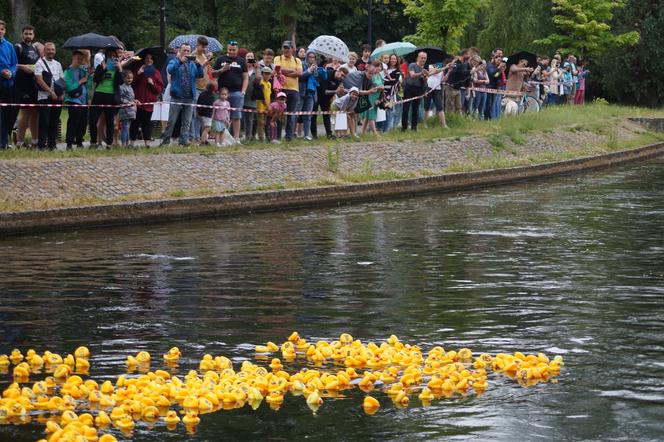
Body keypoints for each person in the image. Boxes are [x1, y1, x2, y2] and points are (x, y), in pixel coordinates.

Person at [160, 43, 204, 147]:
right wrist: (180, 61)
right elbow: (170, 70)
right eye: (184, 50)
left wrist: (198, 65)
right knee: (171, 120)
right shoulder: (174, 61)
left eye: (188, 51)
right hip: (177, 96)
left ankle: (184, 140)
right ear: (179, 51)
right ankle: (165, 141)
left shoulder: (192, 64)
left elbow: (200, 75)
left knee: (187, 121)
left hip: (190, 96)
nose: (186, 53)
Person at [212, 40, 248, 142]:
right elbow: (213, 74)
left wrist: (243, 92)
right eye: (230, 50)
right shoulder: (220, 59)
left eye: (234, 50)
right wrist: (222, 70)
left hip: (237, 92)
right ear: (227, 49)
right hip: (222, 92)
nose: (232, 52)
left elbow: (245, 77)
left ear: (237, 50)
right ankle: (219, 138)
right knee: (220, 116)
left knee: (236, 116)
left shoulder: (241, 61)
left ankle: (236, 138)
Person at [90, 48, 124, 147]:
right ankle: (93, 141)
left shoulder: (117, 68)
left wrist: (120, 69)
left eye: (113, 56)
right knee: (93, 119)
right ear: (106, 57)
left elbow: (121, 82)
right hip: (99, 94)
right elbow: (95, 79)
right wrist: (103, 69)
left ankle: (109, 143)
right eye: (109, 56)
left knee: (110, 121)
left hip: (111, 95)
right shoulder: (101, 66)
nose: (111, 58)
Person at [34, 42, 63, 150]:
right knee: (44, 121)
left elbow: (62, 80)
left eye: (52, 49)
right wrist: (51, 92)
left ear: (55, 51)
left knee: (54, 121)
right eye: (48, 49)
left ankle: (52, 144)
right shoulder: (39, 63)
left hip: (57, 97)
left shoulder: (58, 64)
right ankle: (41, 145)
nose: (51, 51)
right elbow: (39, 80)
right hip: (44, 97)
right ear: (44, 51)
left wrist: (62, 94)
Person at [14, 25, 39, 148]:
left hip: (33, 85)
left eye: (30, 34)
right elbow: (12, 64)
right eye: (26, 33)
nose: (28, 36)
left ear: (34, 35)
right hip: (22, 84)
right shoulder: (18, 47)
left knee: (35, 113)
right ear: (22, 34)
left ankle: (35, 142)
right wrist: (23, 67)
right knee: (26, 112)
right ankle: (19, 142)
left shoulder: (35, 48)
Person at [131, 53, 163, 147]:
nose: (149, 60)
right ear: (143, 60)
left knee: (147, 124)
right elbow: (131, 82)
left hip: (149, 102)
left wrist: (152, 84)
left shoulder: (156, 72)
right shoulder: (138, 70)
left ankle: (147, 143)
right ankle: (131, 143)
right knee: (135, 123)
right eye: (147, 58)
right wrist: (138, 73)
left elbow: (159, 89)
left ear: (153, 61)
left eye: (151, 58)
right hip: (137, 101)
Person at [273, 40, 302, 141]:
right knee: (279, 113)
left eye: (287, 48)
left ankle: (289, 136)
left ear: (292, 49)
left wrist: (284, 72)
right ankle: (277, 136)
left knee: (291, 114)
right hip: (281, 89)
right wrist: (292, 71)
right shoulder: (278, 58)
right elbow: (277, 70)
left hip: (294, 90)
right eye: (284, 48)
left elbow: (299, 73)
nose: (286, 50)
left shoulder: (297, 60)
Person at [189, 36, 212, 144]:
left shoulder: (204, 55)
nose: (204, 49)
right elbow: (194, 72)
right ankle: (194, 137)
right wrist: (205, 63)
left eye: (205, 47)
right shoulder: (192, 56)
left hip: (204, 88)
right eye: (202, 46)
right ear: (197, 45)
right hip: (196, 87)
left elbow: (207, 72)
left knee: (202, 114)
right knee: (194, 114)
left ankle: (201, 137)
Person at [63, 50, 89, 149]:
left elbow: (88, 82)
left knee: (83, 122)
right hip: (73, 100)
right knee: (74, 121)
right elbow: (68, 87)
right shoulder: (67, 72)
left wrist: (87, 77)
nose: (80, 61)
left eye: (81, 59)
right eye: (78, 58)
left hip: (84, 100)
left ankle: (79, 141)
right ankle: (69, 142)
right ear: (73, 58)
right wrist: (79, 82)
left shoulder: (83, 71)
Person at [297, 51, 325, 141]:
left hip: (310, 93)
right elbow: (300, 77)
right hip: (301, 92)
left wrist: (317, 71)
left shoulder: (314, 66)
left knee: (308, 115)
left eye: (313, 57)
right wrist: (309, 71)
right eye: (310, 57)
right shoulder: (301, 64)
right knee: (296, 113)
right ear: (307, 57)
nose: (312, 59)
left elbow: (317, 80)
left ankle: (306, 135)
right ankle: (292, 134)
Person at [0, 20, 17, 149]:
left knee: (8, 114)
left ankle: (4, 141)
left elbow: (14, 64)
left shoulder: (9, 45)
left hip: (9, 84)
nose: (0, 31)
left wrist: (10, 73)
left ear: (4, 31)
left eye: (2, 29)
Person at [401, 51, 428, 132]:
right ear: (418, 58)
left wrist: (425, 78)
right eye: (422, 58)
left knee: (415, 109)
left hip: (418, 89)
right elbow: (412, 75)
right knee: (406, 108)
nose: (423, 59)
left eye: (424, 58)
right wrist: (421, 73)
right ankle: (404, 128)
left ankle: (414, 127)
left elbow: (425, 81)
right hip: (409, 88)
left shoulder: (424, 69)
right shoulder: (412, 65)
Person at [361, 60, 384, 136]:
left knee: (367, 117)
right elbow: (371, 85)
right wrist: (378, 87)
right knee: (371, 115)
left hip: (377, 96)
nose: (379, 68)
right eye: (378, 66)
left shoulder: (380, 75)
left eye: (380, 67)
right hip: (370, 96)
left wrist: (380, 93)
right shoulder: (372, 75)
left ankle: (363, 132)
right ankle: (375, 133)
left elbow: (382, 84)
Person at [444, 50, 470, 115]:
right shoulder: (456, 62)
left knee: (458, 106)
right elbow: (452, 71)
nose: (469, 56)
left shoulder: (465, 64)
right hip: (451, 87)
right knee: (450, 106)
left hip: (458, 88)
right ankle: (450, 120)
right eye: (468, 54)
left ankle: (457, 120)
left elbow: (465, 74)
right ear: (464, 55)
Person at [424, 60, 446, 127]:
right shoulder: (428, 65)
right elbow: (433, 72)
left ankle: (444, 124)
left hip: (437, 88)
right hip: (429, 88)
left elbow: (443, 79)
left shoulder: (441, 65)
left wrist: (448, 73)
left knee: (440, 107)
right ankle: (425, 124)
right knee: (426, 107)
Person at [243, 52, 259, 141]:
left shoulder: (257, 69)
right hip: (243, 96)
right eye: (248, 56)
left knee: (250, 118)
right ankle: (233, 136)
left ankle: (249, 137)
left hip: (252, 97)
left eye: (251, 57)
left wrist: (256, 68)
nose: (249, 58)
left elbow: (258, 81)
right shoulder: (242, 69)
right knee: (238, 117)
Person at [384, 54, 402, 131]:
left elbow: (394, 82)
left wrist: (385, 80)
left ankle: (389, 129)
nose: (393, 60)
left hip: (391, 94)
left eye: (395, 59)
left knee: (390, 110)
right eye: (391, 59)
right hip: (382, 93)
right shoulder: (384, 69)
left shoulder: (397, 71)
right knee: (383, 111)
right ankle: (382, 128)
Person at [196, 81, 217, 145]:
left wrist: (198, 111)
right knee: (207, 128)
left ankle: (204, 139)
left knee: (204, 127)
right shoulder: (212, 96)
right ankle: (202, 142)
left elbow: (198, 102)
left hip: (200, 113)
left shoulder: (202, 93)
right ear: (214, 88)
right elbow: (210, 106)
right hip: (207, 114)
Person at [256, 66, 272, 142]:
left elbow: (269, 96)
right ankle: (261, 139)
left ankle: (267, 138)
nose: (267, 75)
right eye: (266, 74)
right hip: (261, 107)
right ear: (262, 74)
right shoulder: (261, 83)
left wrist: (269, 106)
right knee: (261, 123)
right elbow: (261, 96)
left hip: (267, 107)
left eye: (269, 74)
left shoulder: (269, 84)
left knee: (266, 123)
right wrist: (267, 105)